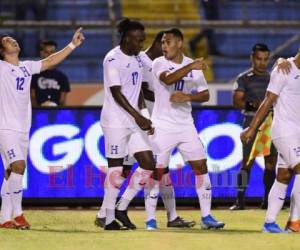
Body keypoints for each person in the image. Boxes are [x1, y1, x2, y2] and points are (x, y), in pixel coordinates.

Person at [95, 31, 195, 230]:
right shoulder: (141, 60)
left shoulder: (147, 61)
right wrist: (150, 109)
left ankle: (167, 215)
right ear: (159, 43)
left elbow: (147, 88)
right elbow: (141, 90)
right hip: (135, 120)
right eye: (164, 43)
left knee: (156, 167)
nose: (167, 48)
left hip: (147, 121)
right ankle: (108, 212)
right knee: (126, 169)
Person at [0, 28, 84, 229]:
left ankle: (4, 218)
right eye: (7, 40)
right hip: (5, 127)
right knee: (19, 166)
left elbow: (50, 61)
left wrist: (72, 44)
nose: (13, 40)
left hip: (22, 128)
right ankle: (18, 214)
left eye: (12, 38)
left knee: (11, 172)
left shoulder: (27, 67)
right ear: (2, 50)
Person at [149, 28, 225, 229]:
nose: (164, 46)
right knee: (157, 172)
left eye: (168, 42)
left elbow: (205, 94)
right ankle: (150, 219)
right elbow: (167, 79)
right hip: (162, 126)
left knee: (201, 166)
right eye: (163, 42)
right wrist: (192, 65)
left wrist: (188, 97)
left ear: (180, 43)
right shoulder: (159, 63)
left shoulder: (194, 66)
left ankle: (207, 217)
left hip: (185, 126)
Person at [100, 18, 157, 230]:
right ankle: (107, 219)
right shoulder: (112, 59)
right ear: (126, 38)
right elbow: (117, 93)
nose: (141, 45)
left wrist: (143, 115)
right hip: (115, 122)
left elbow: (138, 92)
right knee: (115, 171)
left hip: (133, 121)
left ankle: (121, 207)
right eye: (137, 40)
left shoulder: (138, 58)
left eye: (142, 40)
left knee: (148, 163)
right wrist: (139, 117)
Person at [241, 50, 300, 233]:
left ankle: (270, 222)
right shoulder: (284, 69)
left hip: (297, 132)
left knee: (283, 176)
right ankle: (295, 222)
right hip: (284, 131)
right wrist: (252, 128)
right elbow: (268, 100)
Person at [230, 44, 277, 210]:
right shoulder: (243, 78)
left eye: (265, 59)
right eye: (259, 59)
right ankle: (239, 200)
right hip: (250, 123)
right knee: (246, 163)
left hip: (271, 124)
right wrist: (254, 105)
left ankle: (268, 201)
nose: (262, 63)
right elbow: (236, 102)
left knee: (270, 162)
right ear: (252, 58)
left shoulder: (274, 78)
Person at [31, 40, 71, 107]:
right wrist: (39, 110)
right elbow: (32, 97)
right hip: (38, 113)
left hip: (56, 113)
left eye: (52, 52)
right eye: (46, 52)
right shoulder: (34, 75)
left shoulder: (62, 77)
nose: (49, 55)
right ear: (41, 53)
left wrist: (54, 110)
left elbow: (62, 101)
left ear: (56, 53)